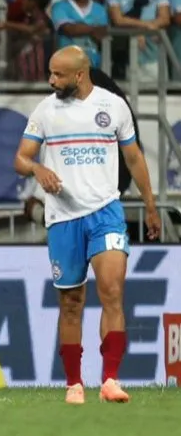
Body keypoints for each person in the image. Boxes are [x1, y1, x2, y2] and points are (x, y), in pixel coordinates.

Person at [14, 45, 160, 405]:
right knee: (72, 302)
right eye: (50, 73)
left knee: (112, 290)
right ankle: (74, 384)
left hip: (105, 211)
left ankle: (110, 378)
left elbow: (134, 156)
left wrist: (151, 205)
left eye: (58, 75)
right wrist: (38, 169)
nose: (51, 80)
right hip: (64, 217)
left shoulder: (112, 106)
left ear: (79, 74)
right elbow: (21, 157)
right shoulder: (46, 111)